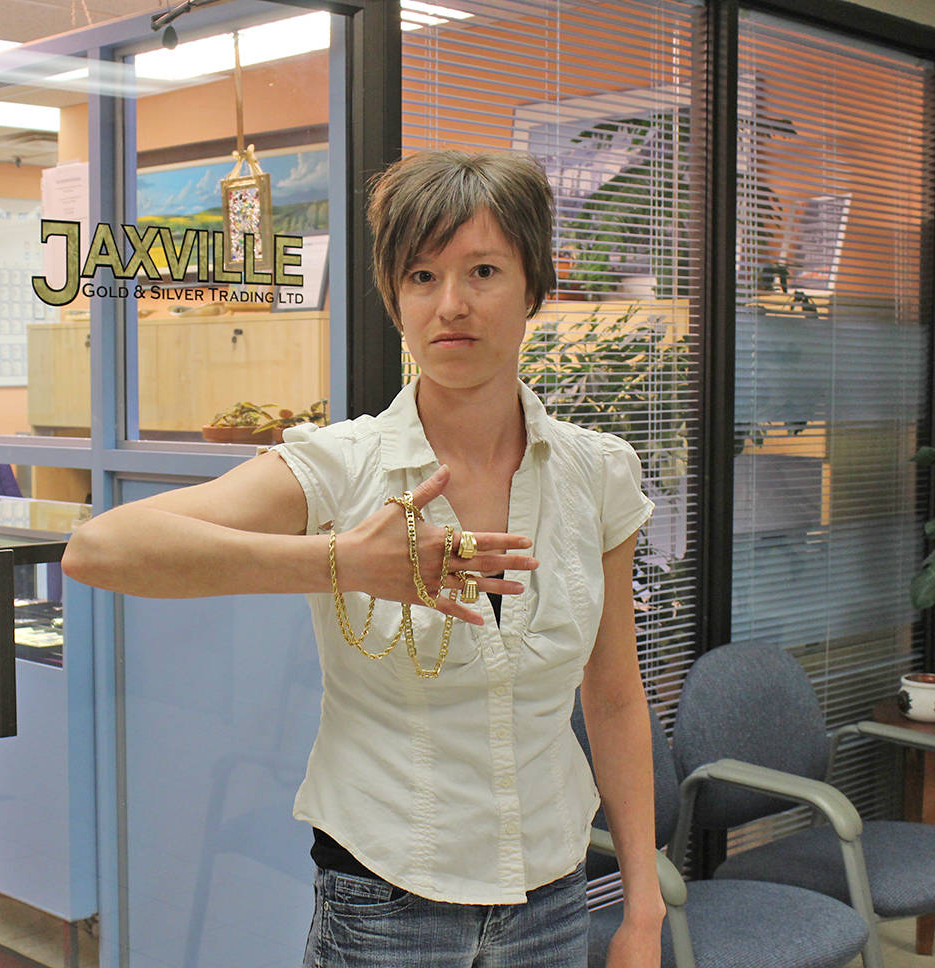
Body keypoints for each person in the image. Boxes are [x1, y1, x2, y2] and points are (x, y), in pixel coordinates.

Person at [62, 150, 664, 967]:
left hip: (550, 894)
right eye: (421, 276)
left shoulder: (599, 474)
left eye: (482, 270)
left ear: (534, 289)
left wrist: (643, 907)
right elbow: (101, 549)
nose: (450, 304)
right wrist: (341, 560)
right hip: (385, 900)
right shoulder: (345, 464)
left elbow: (616, 696)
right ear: (394, 300)